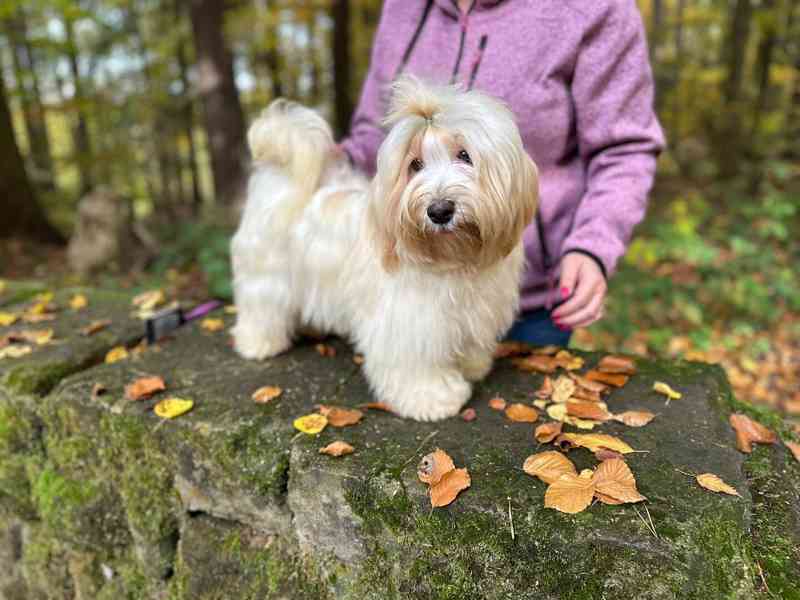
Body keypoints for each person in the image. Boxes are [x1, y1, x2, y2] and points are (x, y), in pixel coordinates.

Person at [338, 0, 665, 346]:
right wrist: (322, 161)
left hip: (530, 298)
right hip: (408, 290)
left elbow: (624, 148)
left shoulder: (595, 8)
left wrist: (593, 245)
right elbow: (376, 140)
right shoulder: (402, 7)